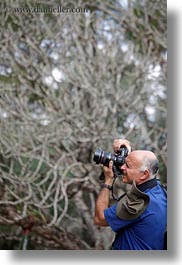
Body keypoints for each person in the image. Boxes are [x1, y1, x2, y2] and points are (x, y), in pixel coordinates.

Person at [94, 139, 167, 250]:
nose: (122, 167)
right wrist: (126, 149)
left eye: (127, 165)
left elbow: (99, 219)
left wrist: (108, 181)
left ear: (144, 174)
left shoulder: (139, 203)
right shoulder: (160, 192)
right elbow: (139, 168)